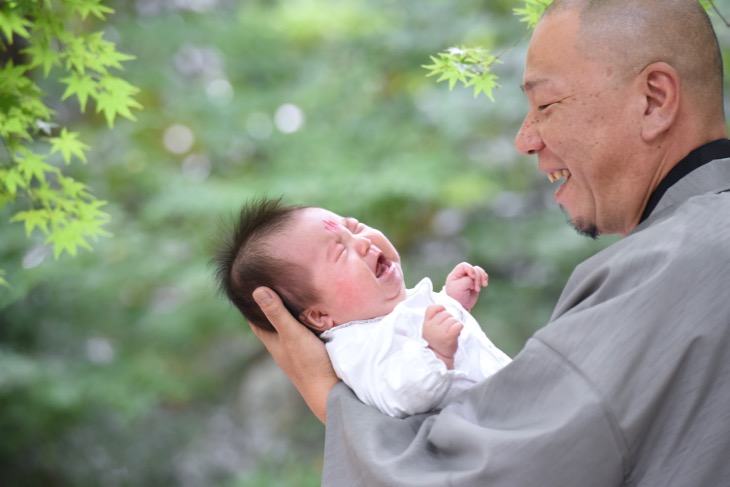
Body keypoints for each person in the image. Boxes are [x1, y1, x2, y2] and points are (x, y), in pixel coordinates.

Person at [249, 0, 730, 485]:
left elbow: (488, 475)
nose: (525, 139)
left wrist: (329, 397)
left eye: (545, 105)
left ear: (653, 99)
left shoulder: (671, 265)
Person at [213, 198, 511, 418]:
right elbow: (398, 393)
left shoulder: (392, 312)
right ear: (318, 315)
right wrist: (435, 353)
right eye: (341, 251)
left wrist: (452, 301)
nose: (364, 242)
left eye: (354, 227)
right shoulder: (355, 348)